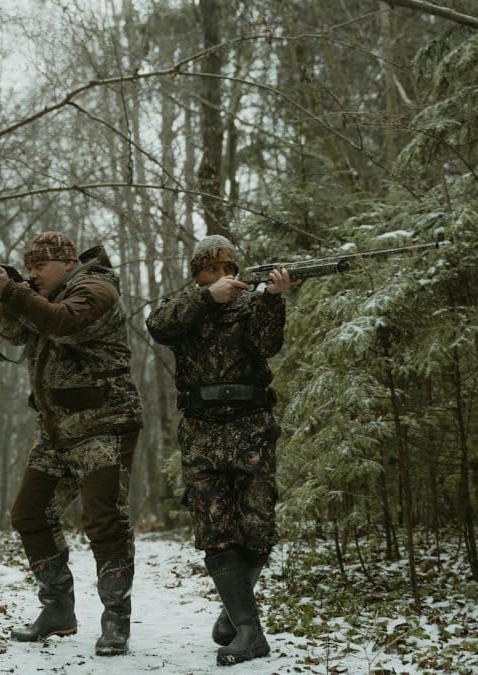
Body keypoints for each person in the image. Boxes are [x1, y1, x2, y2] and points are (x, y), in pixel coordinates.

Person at [0, 231, 143, 657]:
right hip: (55, 428)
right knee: (29, 514)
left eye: (40, 266)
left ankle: (115, 621)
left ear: (67, 262)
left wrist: (15, 290)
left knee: (103, 521)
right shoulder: (43, 294)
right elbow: (15, 335)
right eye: (28, 266)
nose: (33, 273)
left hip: (104, 423)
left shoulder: (96, 288)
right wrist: (11, 292)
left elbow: (64, 324)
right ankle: (57, 610)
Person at [145, 235, 294, 666]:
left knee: (258, 525)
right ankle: (249, 631)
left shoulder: (251, 304)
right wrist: (207, 299)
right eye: (213, 270)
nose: (224, 275)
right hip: (202, 429)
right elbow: (159, 326)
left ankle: (235, 612)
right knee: (215, 527)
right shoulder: (184, 306)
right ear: (199, 274)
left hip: (251, 427)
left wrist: (273, 298)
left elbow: (268, 345)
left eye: (229, 268)